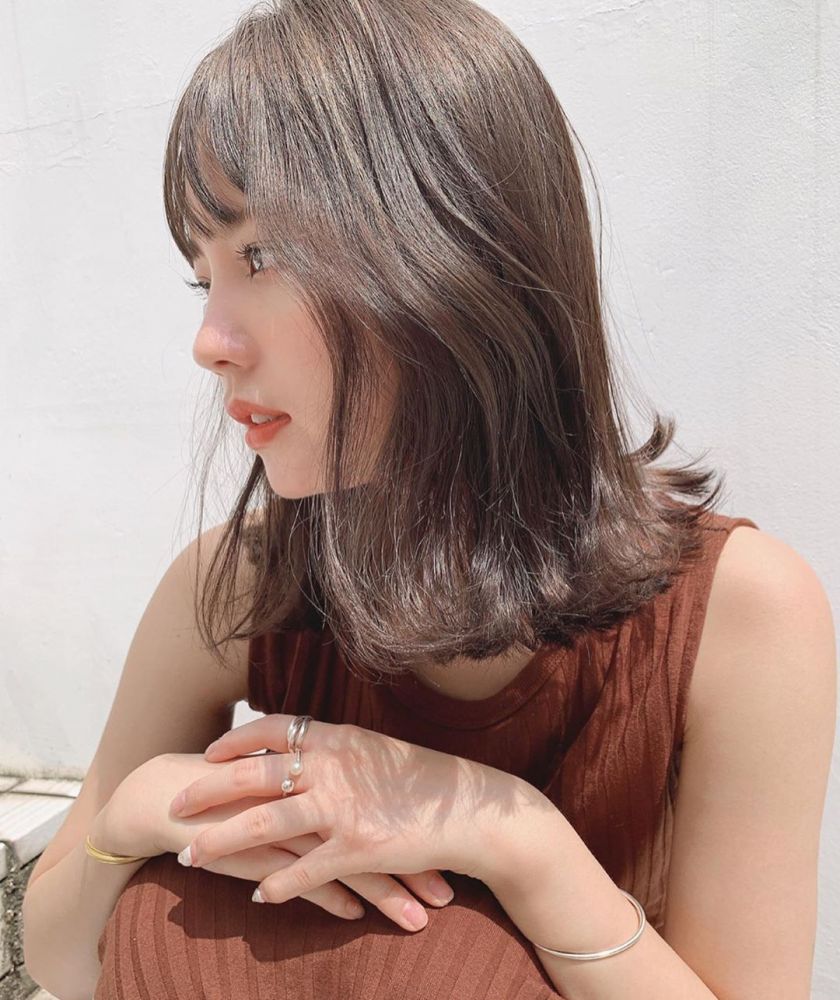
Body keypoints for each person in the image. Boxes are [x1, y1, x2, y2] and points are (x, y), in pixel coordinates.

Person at [22, 1, 835, 998]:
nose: (209, 342)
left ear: (456, 250)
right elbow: (58, 956)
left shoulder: (740, 614)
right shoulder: (238, 581)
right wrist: (134, 812)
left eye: (261, 257)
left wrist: (516, 838)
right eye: (203, 278)